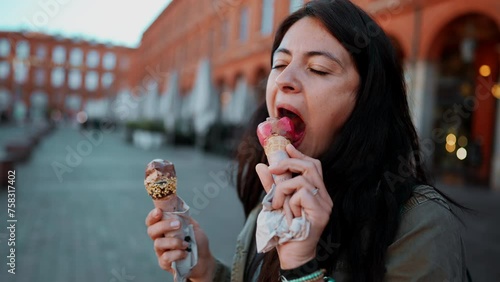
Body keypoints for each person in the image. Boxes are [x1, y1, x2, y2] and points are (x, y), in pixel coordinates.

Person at [146, 0, 469, 281]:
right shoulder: (272, 198)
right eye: (280, 64)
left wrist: (303, 269)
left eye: (318, 69)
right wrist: (205, 271)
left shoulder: (421, 223)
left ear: (367, 101)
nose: (285, 80)